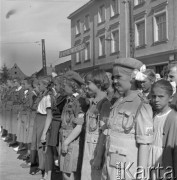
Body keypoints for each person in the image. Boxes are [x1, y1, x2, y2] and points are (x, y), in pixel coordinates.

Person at [102, 58, 154, 180]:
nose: (114, 81)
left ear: (133, 77)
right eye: (113, 77)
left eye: (118, 77)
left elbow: (144, 144)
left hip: (127, 171)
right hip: (110, 166)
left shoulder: (141, 105)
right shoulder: (117, 102)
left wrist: (141, 176)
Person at [81, 69, 112, 180]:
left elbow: (104, 133)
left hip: (95, 150)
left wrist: (98, 157)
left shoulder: (105, 104)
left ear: (98, 84)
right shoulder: (94, 102)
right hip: (88, 148)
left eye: (88, 83)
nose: (86, 86)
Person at [58, 71, 88, 180]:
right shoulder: (69, 99)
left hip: (71, 140)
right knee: (65, 170)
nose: (63, 87)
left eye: (65, 85)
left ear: (72, 86)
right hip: (65, 136)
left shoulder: (80, 101)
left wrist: (66, 142)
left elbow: (79, 126)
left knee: (68, 173)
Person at [149, 79, 177, 179]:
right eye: (154, 96)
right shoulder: (153, 114)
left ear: (170, 98)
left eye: (161, 96)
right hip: (151, 159)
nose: (156, 99)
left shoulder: (173, 118)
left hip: (164, 162)